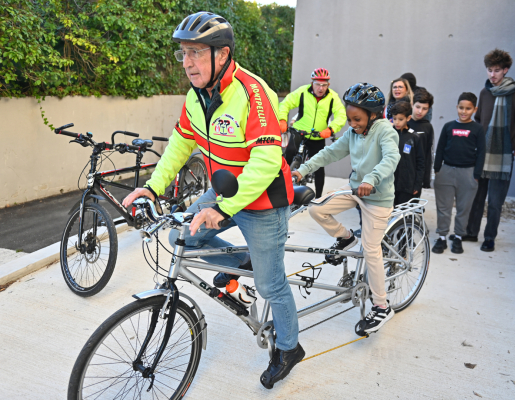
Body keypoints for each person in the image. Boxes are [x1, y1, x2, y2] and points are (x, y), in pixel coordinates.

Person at [122, 12, 303, 389]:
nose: (187, 63)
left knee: (271, 286)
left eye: (195, 53)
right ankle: (243, 260)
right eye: (183, 53)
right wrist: (154, 188)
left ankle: (288, 348)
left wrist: (221, 210)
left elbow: (267, 160)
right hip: (225, 188)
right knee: (181, 237)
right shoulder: (196, 96)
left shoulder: (253, 93)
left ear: (222, 55)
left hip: (264, 198)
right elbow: (180, 143)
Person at [291, 83, 400, 334]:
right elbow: (329, 153)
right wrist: (303, 170)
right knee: (317, 209)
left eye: (357, 119)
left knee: (371, 249)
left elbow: (391, 159)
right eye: (349, 119)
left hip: (377, 198)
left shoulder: (385, 132)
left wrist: (370, 180)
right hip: (355, 191)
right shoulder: (352, 133)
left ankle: (382, 307)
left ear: (373, 115)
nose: (352, 124)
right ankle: (345, 237)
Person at [461, 49, 515, 252]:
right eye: (489, 70)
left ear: (506, 70)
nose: (492, 75)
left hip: (502, 156)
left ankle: (489, 238)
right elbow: (478, 122)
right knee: (477, 196)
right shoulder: (485, 93)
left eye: (496, 70)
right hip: (482, 154)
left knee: (495, 201)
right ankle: (470, 232)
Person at [279, 68, 347, 198]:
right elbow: (285, 103)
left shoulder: (333, 97)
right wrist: (282, 119)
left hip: (318, 135)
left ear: (328, 85)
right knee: (287, 157)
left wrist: (331, 129)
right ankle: (280, 189)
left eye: (324, 85)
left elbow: (341, 115)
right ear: (312, 83)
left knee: (319, 166)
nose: (320, 88)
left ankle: (318, 197)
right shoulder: (303, 92)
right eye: (317, 84)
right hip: (299, 131)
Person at [432, 92, 485, 254]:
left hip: (468, 173)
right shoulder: (448, 126)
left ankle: (458, 237)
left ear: (474, 109)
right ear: (457, 107)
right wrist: (437, 169)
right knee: (443, 207)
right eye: (461, 108)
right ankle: (442, 237)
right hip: (446, 171)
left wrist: (476, 174)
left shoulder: (478, 128)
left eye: (468, 109)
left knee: (464, 208)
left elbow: (482, 152)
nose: (464, 111)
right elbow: (440, 148)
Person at [390, 101, 425, 205]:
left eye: (400, 119)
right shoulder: (388, 134)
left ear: (408, 118)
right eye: (394, 119)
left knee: (404, 216)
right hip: (389, 185)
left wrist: (417, 184)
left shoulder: (415, 137)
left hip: (407, 186)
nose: (397, 122)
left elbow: (421, 163)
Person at [407, 89, 435, 189]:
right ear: (412, 104)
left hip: (417, 176)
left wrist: (426, 179)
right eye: (418, 107)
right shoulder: (403, 123)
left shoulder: (427, 127)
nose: (420, 111)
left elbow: (428, 153)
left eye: (424, 109)